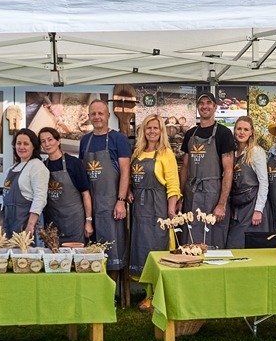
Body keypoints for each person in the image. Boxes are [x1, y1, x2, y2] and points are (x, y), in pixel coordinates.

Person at [127, 114, 180, 309]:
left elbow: (173, 183)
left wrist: (171, 210)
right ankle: (147, 292)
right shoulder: (137, 153)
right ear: (143, 130)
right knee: (142, 248)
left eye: (156, 128)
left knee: (158, 247)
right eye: (149, 128)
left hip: (158, 205)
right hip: (139, 207)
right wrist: (130, 190)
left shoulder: (166, 153)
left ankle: (157, 294)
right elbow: (130, 178)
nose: (152, 131)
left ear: (161, 131)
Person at [79, 100, 132, 281]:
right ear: (89, 117)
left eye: (101, 113)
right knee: (91, 249)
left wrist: (121, 200)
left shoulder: (119, 139)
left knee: (113, 248)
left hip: (111, 203)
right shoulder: (85, 141)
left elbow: (126, 172)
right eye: (93, 114)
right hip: (89, 204)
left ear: (108, 116)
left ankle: (110, 295)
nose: (97, 117)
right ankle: (94, 290)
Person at [179, 92, 235, 248]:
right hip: (192, 194)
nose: (205, 106)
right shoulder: (190, 134)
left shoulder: (224, 134)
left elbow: (228, 171)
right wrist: (180, 196)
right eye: (201, 103)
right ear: (197, 107)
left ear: (215, 107)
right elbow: (185, 167)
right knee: (190, 240)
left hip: (213, 194)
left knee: (212, 239)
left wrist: (222, 204)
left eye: (208, 103)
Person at [39, 126, 93, 244]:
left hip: (74, 221)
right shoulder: (42, 167)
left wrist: (88, 221)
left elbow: (86, 194)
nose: (47, 144)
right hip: (53, 223)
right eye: (43, 141)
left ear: (58, 141)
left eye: (50, 139)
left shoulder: (74, 163)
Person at [226, 116, 270, 248]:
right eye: (239, 129)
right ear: (234, 131)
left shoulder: (256, 152)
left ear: (251, 132)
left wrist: (258, 210)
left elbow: (264, 182)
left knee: (248, 246)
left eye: (246, 129)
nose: (241, 132)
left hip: (252, 203)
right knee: (234, 244)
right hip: (238, 203)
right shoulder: (232, 152)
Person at [2, 128, 49, 237]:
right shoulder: (11, 168)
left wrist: (30, 225)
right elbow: (5, 196)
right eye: (18, 143)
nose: (21, 147)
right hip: (9, 222)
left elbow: (40, 197)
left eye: (26, 144)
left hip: (26, 222)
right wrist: (2, 223)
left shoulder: (37, 166)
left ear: (33, 146)